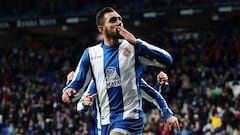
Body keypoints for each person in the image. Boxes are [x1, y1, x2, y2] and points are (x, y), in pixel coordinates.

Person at [62, 7, 179, 135]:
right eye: (113, 20)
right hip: (104, 125)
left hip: (130, 120)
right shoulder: (91, 54)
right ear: (101, 29)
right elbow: (76, 90)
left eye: (120, 19)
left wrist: (136, 42)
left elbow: (167, 60)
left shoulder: (133, 48)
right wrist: (68, 91)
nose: (119, 23)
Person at [71, 71, 177, 135]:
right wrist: (85, 104)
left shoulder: (133, 78)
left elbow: (153, 96)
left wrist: (161, 86)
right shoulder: (97, 81)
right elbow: (79, 107)